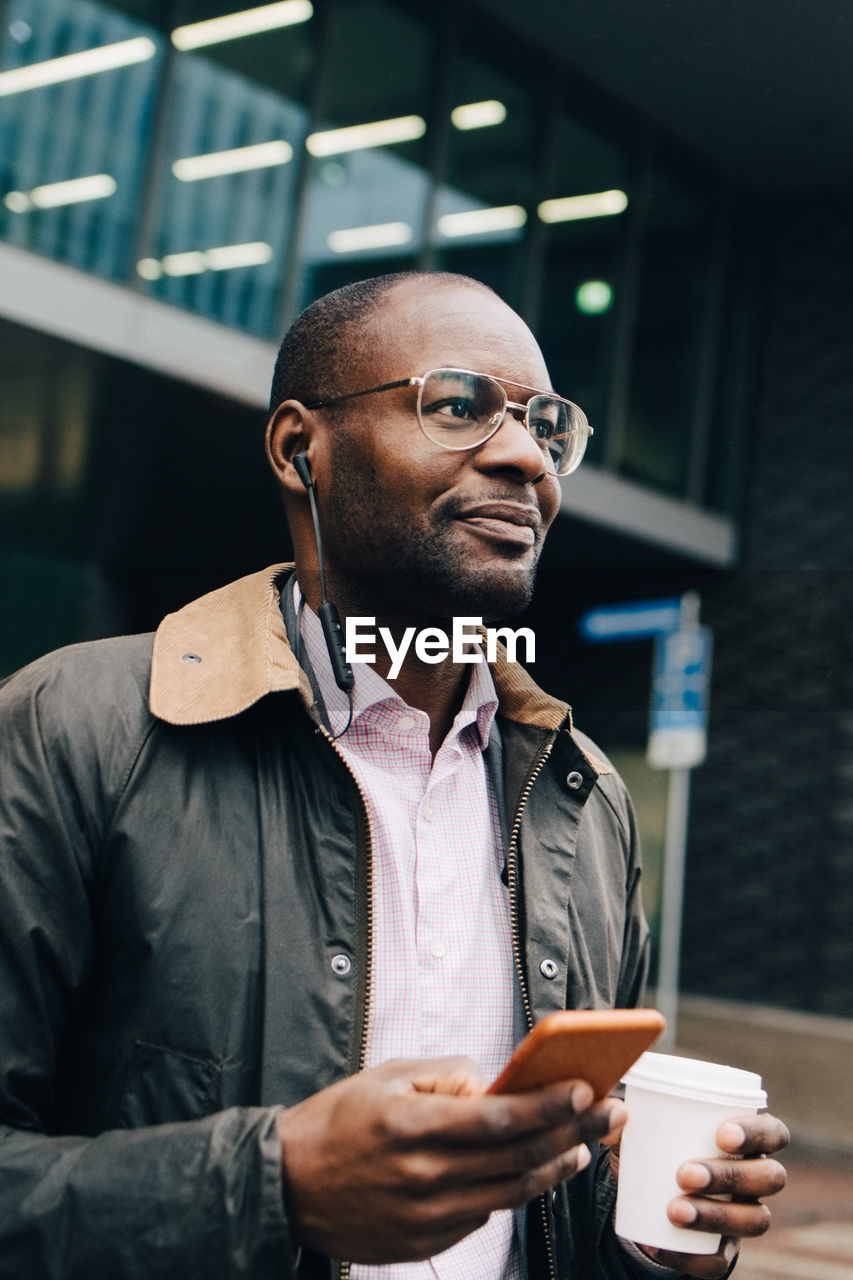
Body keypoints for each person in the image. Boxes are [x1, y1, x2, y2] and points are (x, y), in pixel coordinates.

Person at [0, 271, 787, 1279]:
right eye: (458, 405)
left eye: (546, 427)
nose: (522, 457)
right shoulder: (72, 729)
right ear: (300, 448)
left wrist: (655, 1236)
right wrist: (272, 1186)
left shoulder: (583, 797)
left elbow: (565, 1207)